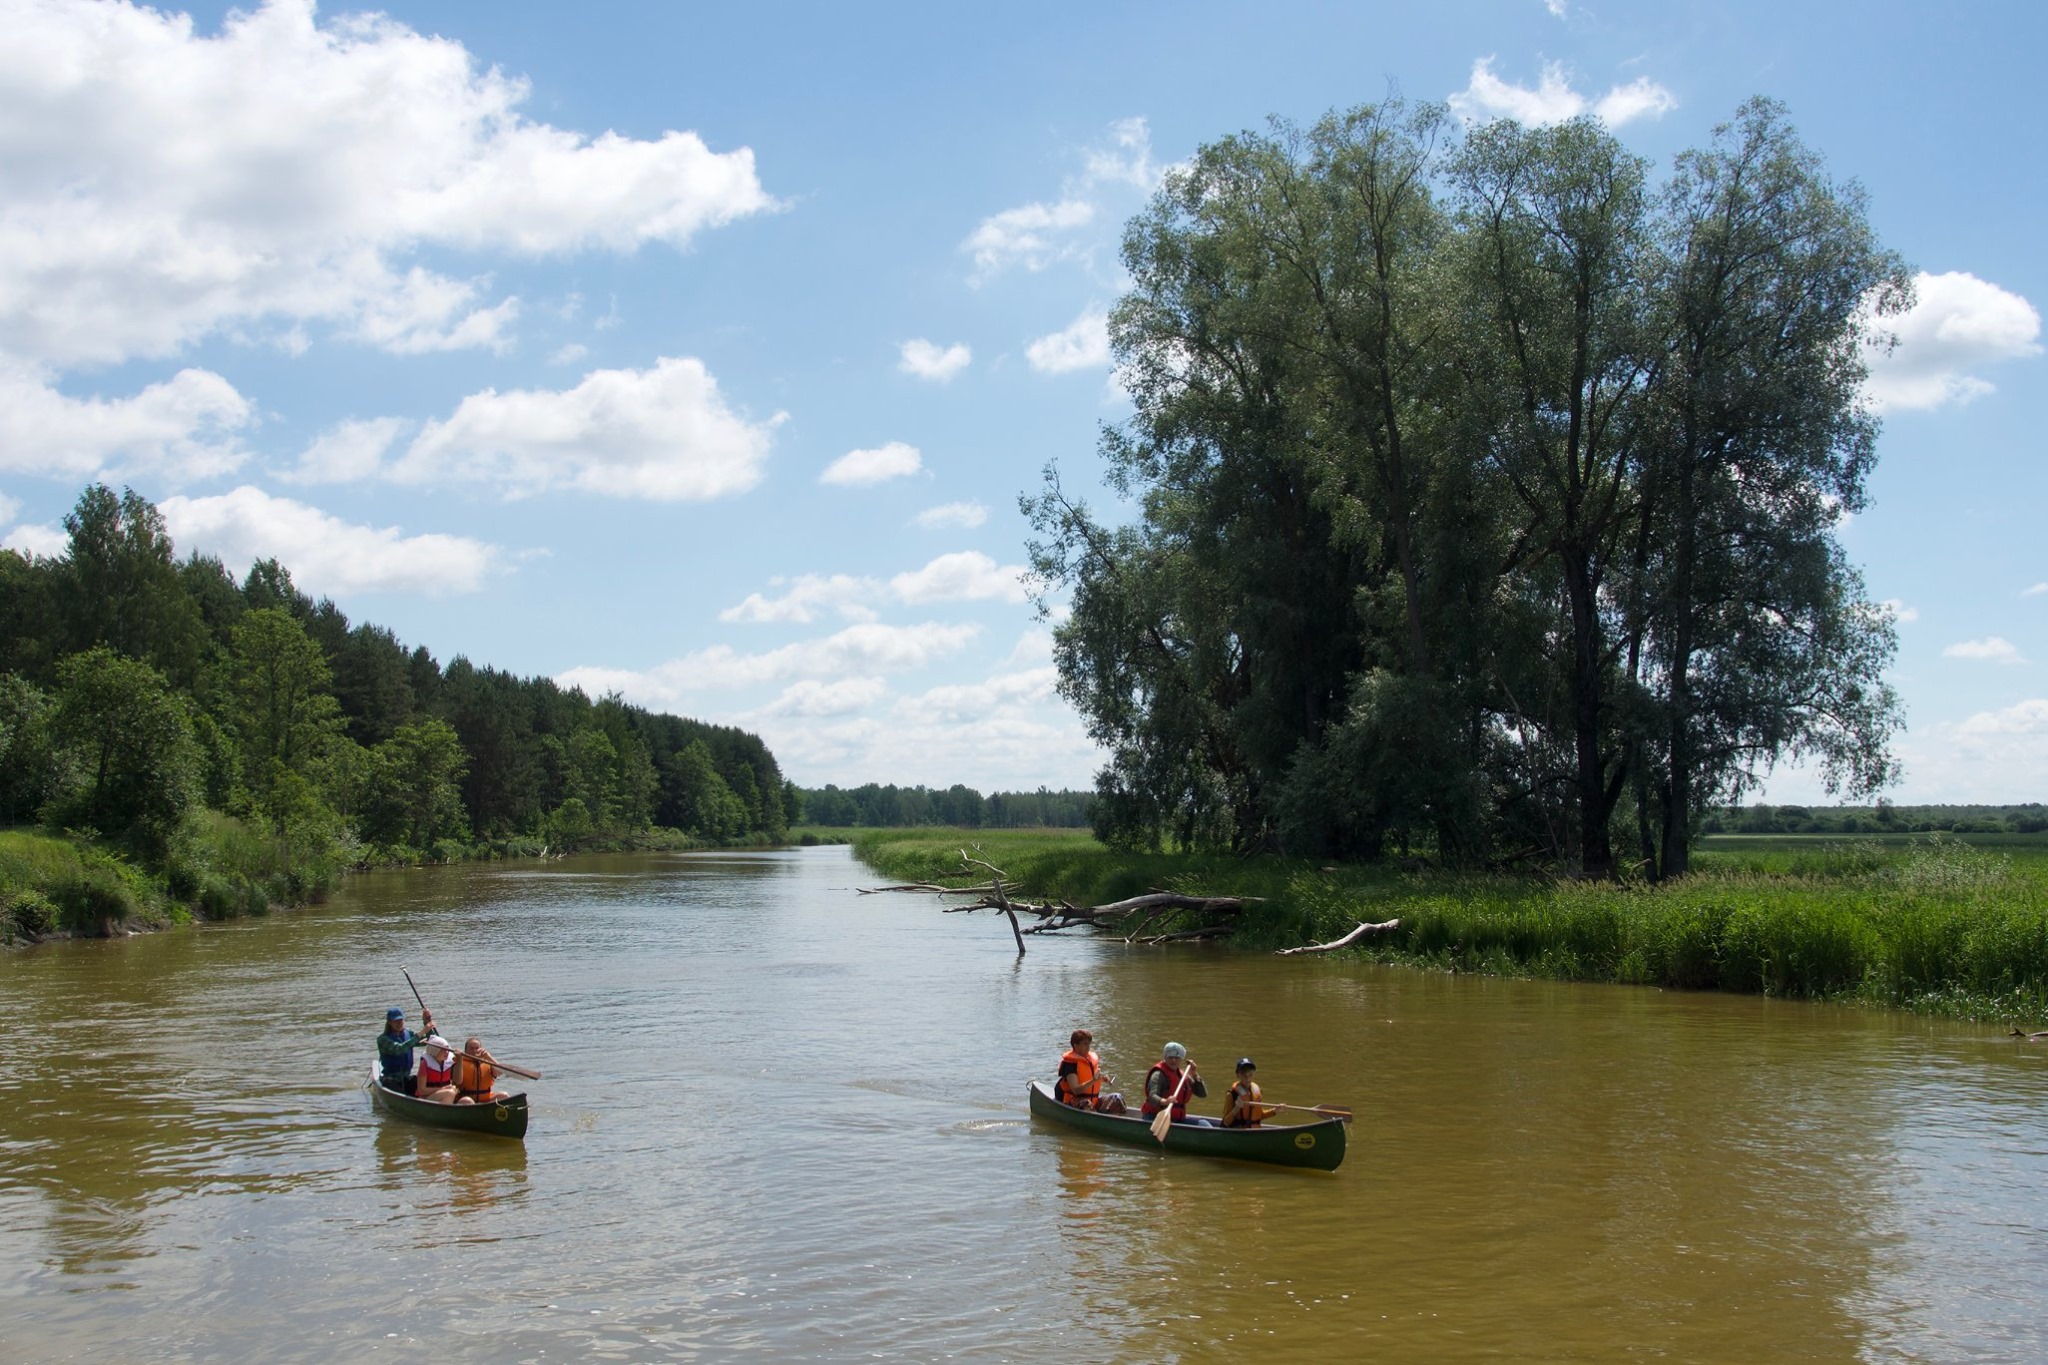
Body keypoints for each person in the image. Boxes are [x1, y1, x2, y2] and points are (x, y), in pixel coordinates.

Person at [1140, 1041, 1214, 1128]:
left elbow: (1202, 1094)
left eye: (1177, 1058)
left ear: (1181, 1059)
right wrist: (1165, 1101)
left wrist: (1194, 1074)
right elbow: (1152, 1096)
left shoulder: (1183, 1076)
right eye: (1170, 1057)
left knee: (1204, 1124)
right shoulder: (1158, 1074)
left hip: (1176, 1118)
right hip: (1155, 1117)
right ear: (1165, 1057)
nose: (1173, 1060)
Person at [1054, 1028, 1126, 1115]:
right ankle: (1097, 1119)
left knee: (1117, 1098)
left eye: (1089, 1044)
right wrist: (1093, 1080)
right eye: (1085, 1044)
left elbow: (1090, 1078)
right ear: (1076, 1046)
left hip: (1093, 1101)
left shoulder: (1090, 1060)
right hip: (1073, 1100)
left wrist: (1102, 1079)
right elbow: (1076, 1090)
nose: (1088, 1047)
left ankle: (1115, 1119)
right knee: (1086, 1104)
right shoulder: (1070, 1065)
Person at [376, 1006, 434, 1094]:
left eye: (401, 1020)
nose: (399, 1023)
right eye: (396, 1021)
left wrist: (427, 1022)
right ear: (389, 1022)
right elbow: (400, 1049)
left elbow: (430, 1041)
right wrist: (422, 1032)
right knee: (389, 1083)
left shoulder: (408, 1033)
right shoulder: (382, 1039)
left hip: (406, 1078)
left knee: (419, 1081)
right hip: (390, 1079)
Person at [453, 1037, 509, 1105]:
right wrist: (459, 1060)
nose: (474, 1051)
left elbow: (499, 1072)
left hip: (486, 1100)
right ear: (465, 1051)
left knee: (504, 1095)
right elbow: (457, 1082)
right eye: (471, 1048)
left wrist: (488, 1057)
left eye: (477, 1048)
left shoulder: (487, 1062)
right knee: (467, 1101)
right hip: (466, 1101)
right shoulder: (459, 1063)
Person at [1222, 1058, 1275, 1128]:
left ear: (1254, 1074)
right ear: (1238, 1075)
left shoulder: (1257, 1091)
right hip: (1238, 1131)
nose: (1247, 1079)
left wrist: (1275, 1111)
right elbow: (1225, 1123)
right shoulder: (1231, 1094)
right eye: (1244, 1075)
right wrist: (1236, 1108)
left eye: (1250, 1075)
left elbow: (1260, 1115)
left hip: (1254, 1131)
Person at [416, 1035, 458, 1104]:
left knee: (454, 1090)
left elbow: (458, 1081)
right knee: (449, 1093)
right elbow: (421, 1090)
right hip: (425, 1098)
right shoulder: (424, 1064)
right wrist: (442, 1089)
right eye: (444, 1050)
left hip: (444, 1094)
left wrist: (459, 1061)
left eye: (448, 1050)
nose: (447, 1052)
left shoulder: (450, 1062)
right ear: (435, 1051)